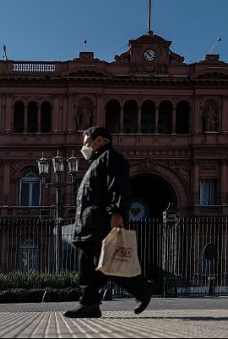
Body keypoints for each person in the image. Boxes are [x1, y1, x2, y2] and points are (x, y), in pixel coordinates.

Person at [64, 126, 153, 318]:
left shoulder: (110, 158)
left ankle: (141, 288)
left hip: (101, 224)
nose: (84, 147)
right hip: (89, 225)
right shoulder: (97, 162)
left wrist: (117, 212)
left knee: (108, 264)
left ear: (100, 141)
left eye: (86, 143)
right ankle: (89, 305)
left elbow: (119, 186)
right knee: (90, 267)